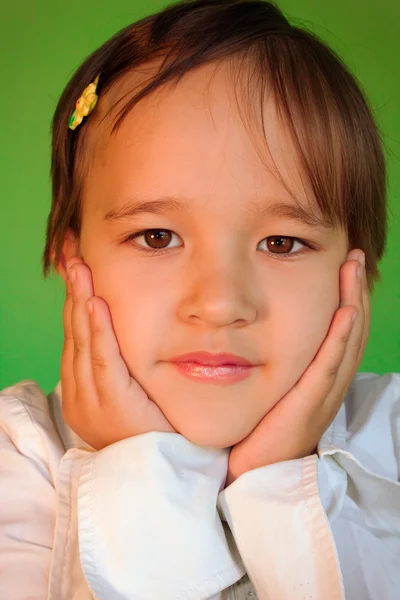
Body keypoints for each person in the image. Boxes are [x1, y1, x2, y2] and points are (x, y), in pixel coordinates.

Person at [1, 0, 399, 598]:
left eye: (282, 242)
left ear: (357, 271)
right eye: (156, 237)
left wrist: (277, 484)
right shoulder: (15, 467)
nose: (219, 304)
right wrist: (140, 468)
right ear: (71, 260)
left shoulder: (389, 444)